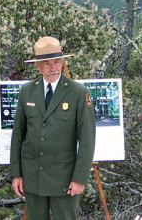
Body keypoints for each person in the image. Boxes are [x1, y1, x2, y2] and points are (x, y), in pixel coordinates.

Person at [10, 36, 96, 220]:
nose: (53, 68)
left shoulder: (78, 93)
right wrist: (17, 174)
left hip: (64, 178)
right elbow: (18, 135)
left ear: (63, 62)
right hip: (33, 177)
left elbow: (87, 140)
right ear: (38, 66)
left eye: (57, 62)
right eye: (46, 64)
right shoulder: (27, 91)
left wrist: (80, 178)